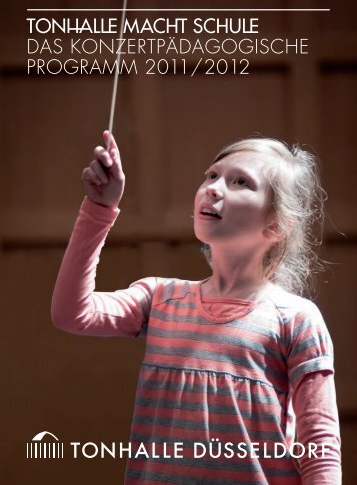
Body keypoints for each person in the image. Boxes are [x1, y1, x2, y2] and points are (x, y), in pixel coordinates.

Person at [51, 130, 342, 484]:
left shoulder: (296, 318)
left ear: (277, 225)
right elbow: (71, 313)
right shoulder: (160, 298)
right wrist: (99, 209)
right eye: (212, 175)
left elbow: (320, 446)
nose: (214, 188)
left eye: (240, 182)